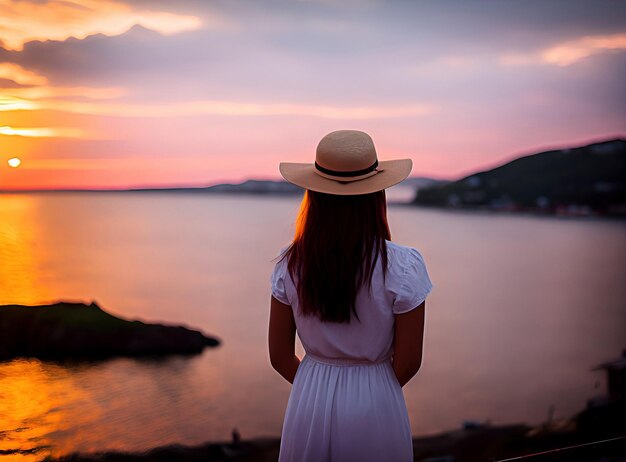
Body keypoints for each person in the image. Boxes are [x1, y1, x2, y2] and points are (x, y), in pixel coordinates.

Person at [268, 130, 434, 462]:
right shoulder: (402, 265)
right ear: (377, 196)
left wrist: (318, 385)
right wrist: (369, 389)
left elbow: (280, 356)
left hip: (309, 396)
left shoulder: (292, 262)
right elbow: (409, 361)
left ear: (314, 197)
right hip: (377, 398)